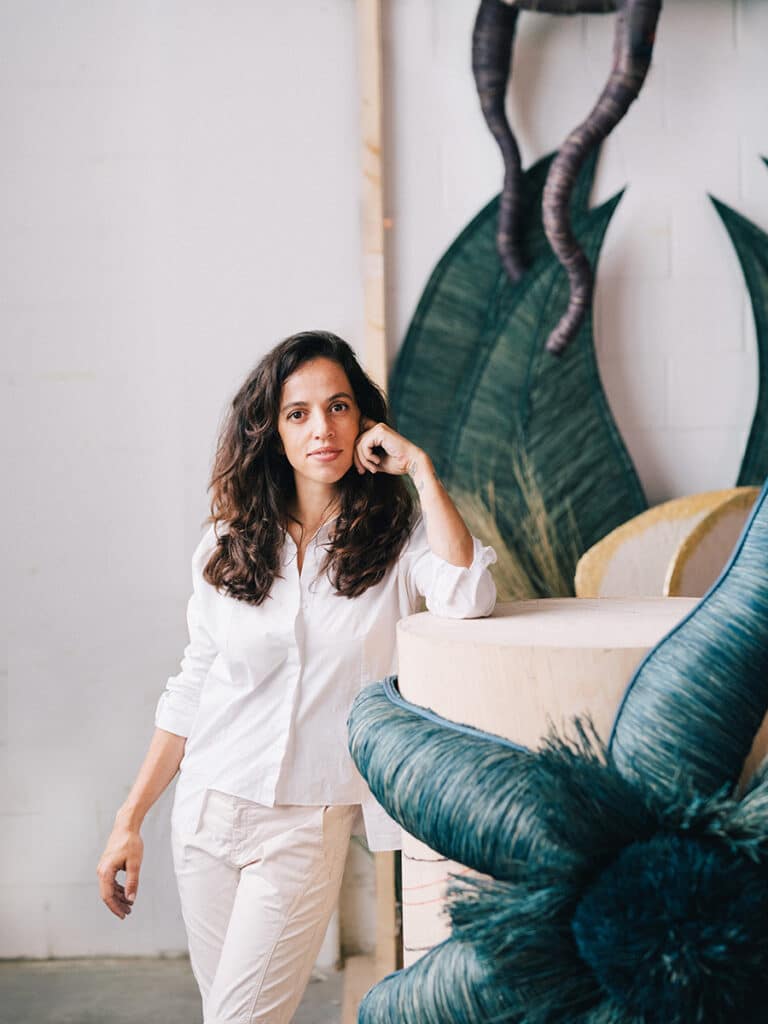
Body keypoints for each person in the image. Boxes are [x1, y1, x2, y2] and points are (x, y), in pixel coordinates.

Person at [96, 330, 497, 1023]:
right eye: (298, 413)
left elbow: (468, 594)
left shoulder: (396, 544)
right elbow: (194, 683)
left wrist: (421, 469)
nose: (323, 429)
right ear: (271, 431)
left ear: (364, 420)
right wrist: (128, 820)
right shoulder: (227, 542)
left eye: (339, 407)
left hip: (306, 827)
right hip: (205, 815)